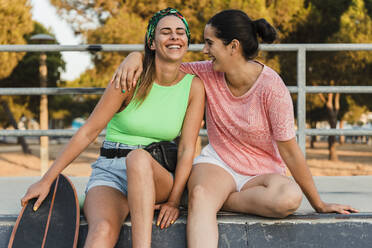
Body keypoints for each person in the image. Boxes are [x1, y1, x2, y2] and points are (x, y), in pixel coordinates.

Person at [111, 9, 359, 248]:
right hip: (217, 164)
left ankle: (215, 200)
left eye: (210, 44)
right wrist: (136, 56)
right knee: (201, 193)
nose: (204, 50)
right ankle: (203, 197)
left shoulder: (272, 88)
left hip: (260, 174)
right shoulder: (206, 72)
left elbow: (291, 152)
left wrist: (318, 203)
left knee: (289, 199)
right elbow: (165, 64)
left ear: (233, 47)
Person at [21, 7, 205, 248]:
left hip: (156, 173)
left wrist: (173, 201)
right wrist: (46, 180)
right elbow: (89, 131)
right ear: (151, 42)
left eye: (181, 32)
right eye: (166, 32)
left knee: (138, 158)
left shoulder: (193, 86)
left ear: (187, 41)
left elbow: (186, 149)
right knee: (103, 230)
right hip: (111, 172)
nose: (174, 37)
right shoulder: (129, 78)